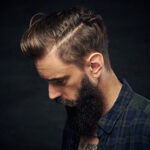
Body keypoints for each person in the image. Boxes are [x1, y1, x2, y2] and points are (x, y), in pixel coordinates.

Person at [20, 6, 150, 150]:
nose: (51, 94)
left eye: (60, 81)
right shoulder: (78, 115)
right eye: (48, 82)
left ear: (94, 66)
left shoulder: (145, 126)